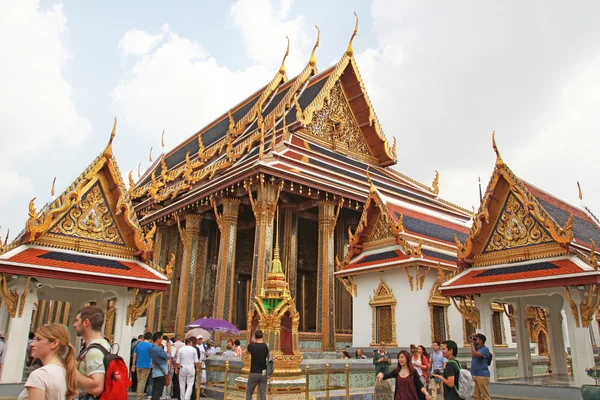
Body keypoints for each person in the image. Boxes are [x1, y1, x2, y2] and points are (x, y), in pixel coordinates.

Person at [17, 324, 77, 400]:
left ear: (54, 343)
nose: (32, 344)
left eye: (38, 339)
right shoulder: (67, 373)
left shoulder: (39, 375)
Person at [74, 306, 111, 398]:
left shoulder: (94, 351)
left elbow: (97, 388)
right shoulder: (103, 344)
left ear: (86, 322)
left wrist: (71, 370)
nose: (74, 325)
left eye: (77, 320)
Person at [246, 329, 269, 400]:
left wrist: (254, 340)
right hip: (263, 373)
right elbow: (268, 356)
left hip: (253, 372)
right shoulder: (266, 346)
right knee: (263, 392)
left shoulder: (251, 345)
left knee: (249, 392)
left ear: (255, 337)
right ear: (263, 337)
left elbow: (247, 352)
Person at [131, 332, 153, 400]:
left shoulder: (139, 345)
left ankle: (139, 394)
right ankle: (139, 396)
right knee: (142, 381)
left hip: (138, 365)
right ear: (150, 338)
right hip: (146, 365)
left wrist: (133, 365)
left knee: (139, 381)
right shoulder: (150, 345)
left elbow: (134, 356)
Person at [149, 332, 171, 400]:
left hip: (156, 371)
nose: (161, 340)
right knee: (158, 392)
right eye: (161, 339)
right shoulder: (158, 349)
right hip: (161, 372)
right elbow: (168, 356)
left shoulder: (152, 348)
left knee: (155, 391)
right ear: (158, 339)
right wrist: (169, 348)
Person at [470, 333, 491, 400]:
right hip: (475, 374)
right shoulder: (475, 347)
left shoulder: (485, 349)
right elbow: (470, 338)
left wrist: (472, 344)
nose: (475, 340)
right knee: (476, 396)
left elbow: (475, 354)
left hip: (482, 375)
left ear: (481, 340)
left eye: (477, 339)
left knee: (484, 396)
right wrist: (473, 336)